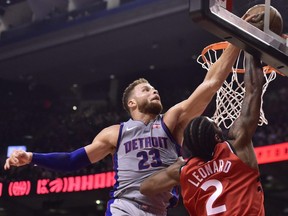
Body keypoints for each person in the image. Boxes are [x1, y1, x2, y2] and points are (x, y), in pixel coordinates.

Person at [4, 14, 259, 216]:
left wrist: (237, 37)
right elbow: (73, 160)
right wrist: (32, 157)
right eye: (146, 89)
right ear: (132, 102)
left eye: (154, 87)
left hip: (159, 211)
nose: (155, 90)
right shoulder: (115, 133)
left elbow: (211, 84)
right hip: (124, 207)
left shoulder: (172, 121)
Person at [140, 52, 265, 215]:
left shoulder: (183, 170)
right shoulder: (237, 147)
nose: (218, 122)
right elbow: (254, 89)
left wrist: (179, 164)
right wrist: (251, 49)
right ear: (217, 137)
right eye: (216, 124)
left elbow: (146, 187)